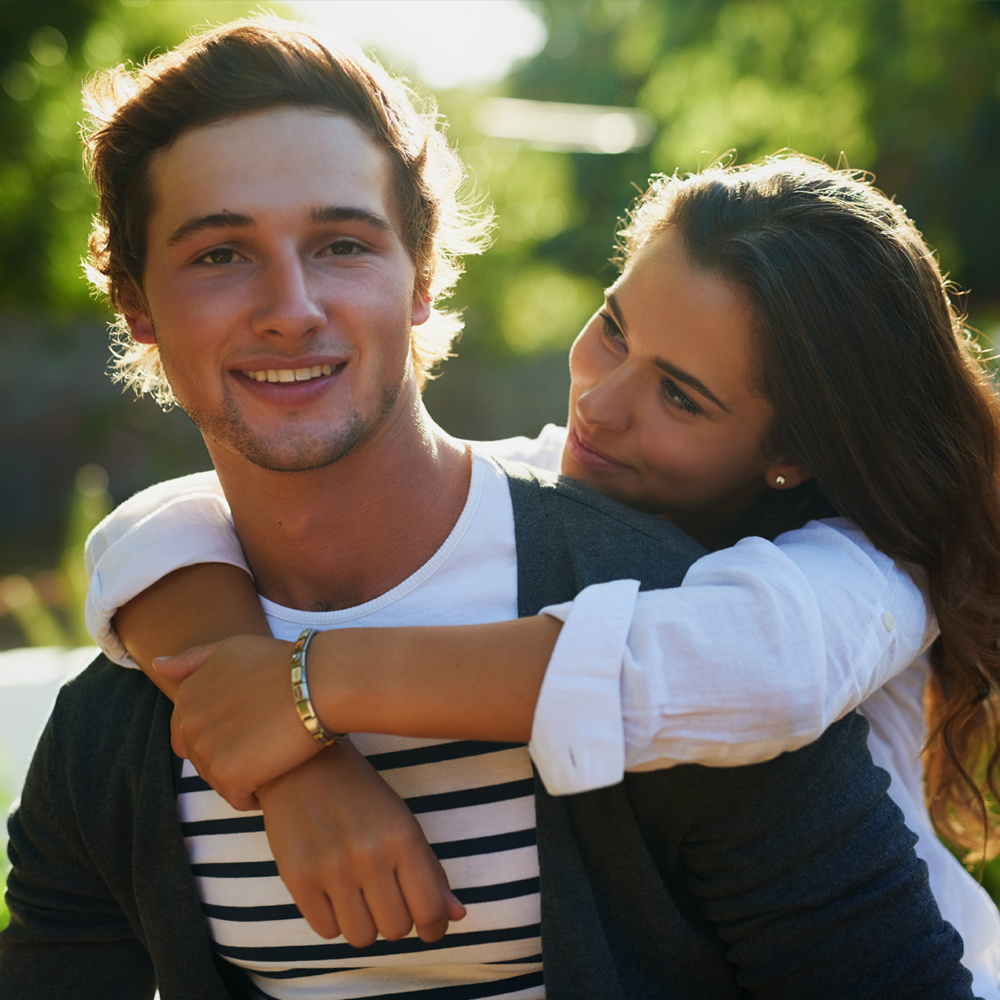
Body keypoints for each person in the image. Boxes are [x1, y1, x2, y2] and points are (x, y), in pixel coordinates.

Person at [0, 15, 981, 1000]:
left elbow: (746, 667)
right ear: (132, 300)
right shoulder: (125, 712)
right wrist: (278, 745)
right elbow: (154, 524)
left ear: (421, 272)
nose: (289, 306)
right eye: (220, 254)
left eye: (340, 242)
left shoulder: (738, 614)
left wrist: (304, 688)